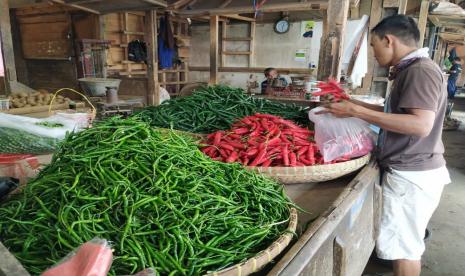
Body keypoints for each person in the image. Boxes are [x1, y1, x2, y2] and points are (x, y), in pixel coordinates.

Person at [319, 15, 450, 276]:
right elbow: (393, 111)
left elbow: (420, 124)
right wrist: (352, 104)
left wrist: (356, 109)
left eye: (373, 46)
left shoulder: (419, 71)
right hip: (414, 170)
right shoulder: (414, 69)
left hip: (411, 175)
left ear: (388, 40)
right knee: (405, 245)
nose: (374, 53)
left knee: (404, 250)